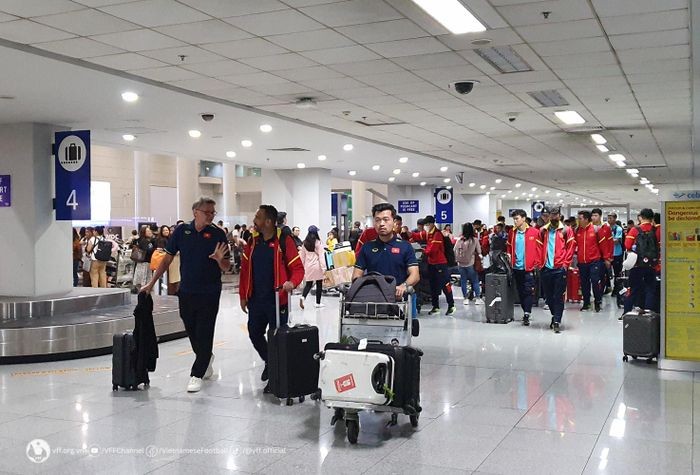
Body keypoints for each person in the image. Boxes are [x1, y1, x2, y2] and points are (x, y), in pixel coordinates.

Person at [141, 197, 230, 393]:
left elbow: (227, 265)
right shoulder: (182, 232)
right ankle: (205, 356)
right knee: (190, 325)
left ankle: (196, 373)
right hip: (187, 290)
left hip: (210, 291)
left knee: (205, 330)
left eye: (213, 212)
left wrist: (219, 260)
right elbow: (167, 259)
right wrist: (152, 282)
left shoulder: (217, 234)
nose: (210, 215)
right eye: (207, 212)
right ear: (195, 212)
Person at [239, 205, 304, 393]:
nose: (254, 220)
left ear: (268, 221)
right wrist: (243, 295)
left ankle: (275, 379)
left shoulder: (284, 240)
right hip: (256, 300)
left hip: (277, 300)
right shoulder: (252, 241)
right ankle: (270, 361)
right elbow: (244, 271)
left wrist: (292, 283)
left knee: (276, 338)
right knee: (254, 332)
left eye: (257, 217)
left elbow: (298, 268)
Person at [354, 203, 420, 333]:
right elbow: (356, 276)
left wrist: (403, 286)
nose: (381, 224)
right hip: (374, 302)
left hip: (398, 301)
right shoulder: (367, 248)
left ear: (394, 222)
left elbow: (415, 275)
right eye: (377, 220)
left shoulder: (405, 247)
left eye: (386, 219)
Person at [539, 207, 575, 333]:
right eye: (551, 215)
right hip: (546, 268)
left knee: (558, 296)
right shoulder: (543, 231)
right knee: (548, 297)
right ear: (548, 216)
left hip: (560, 268)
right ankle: (554, 316)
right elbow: (538, 247)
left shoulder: (566, 230)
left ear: (559, 216)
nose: (553, 217)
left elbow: (570, 248)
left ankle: (557, 321)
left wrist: (565, 264)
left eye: (555, 215)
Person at [623, 208, 661, 315]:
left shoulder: (635, 230)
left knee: (633, 289)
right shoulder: (657, 230)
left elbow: (627, 245)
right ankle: (649, 311)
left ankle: (627, 311)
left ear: (641, 217)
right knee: (650, 289)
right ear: (652, 218)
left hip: (637, 265)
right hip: (652, 265)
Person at [507, 210, 541, 326]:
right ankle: (525, 310)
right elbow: (509, 247)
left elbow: (539, 249)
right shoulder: (512, 232)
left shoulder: (534, 232)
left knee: (528, 291)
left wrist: (537, 263)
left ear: (524, 219)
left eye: (517, 218)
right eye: (514, 219)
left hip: (529, 268)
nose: (515, 221)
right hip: (516, 267)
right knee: (520, 291)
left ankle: (527, 313)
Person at [575, 211, 609, 312]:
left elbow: (603, 245)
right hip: (582, 262)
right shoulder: (578, 230)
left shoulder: (596, 229)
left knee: (595, 281)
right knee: (584, 283)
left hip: (594, 260)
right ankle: (586, 303)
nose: (578, 220)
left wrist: (607, 258)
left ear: (586, 219)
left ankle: (598, 301)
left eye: (580, 218)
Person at [422, 215, 456, 316]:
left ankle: (451, 305)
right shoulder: (429, 234)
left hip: (440, 264)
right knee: (433, 286)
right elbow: (417, 235)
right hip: (432, 264)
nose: (426, 226)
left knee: (445, 285)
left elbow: (433, 249)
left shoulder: (437, 234)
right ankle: (435, 306)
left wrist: (423, 251)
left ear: (432, 224)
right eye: (425, 224)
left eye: (427, 224)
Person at [454, 222, 481, 305]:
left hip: (460, 264)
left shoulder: (460, 239)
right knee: (475, 281)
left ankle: (465, 298)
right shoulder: (474, 240)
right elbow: (479, 251)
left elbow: (454, 249)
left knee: (463, 281)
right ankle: (477, 298)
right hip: (470, 263)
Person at [299, 225, 326, 309]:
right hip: (317, 266)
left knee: (308, 284)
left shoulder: (304, 243)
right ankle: (318, 303)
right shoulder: (318, 242)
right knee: (319, 284)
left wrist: (302, 267)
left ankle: (303, 297)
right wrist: (324, 268)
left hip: (308, 266)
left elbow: (302, 257)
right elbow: (321, 256)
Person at [132, 225, 157, 291]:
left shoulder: (146, 240)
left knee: (145, 280)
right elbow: (149, 250)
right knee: (143, 281)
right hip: (144, 263)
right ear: (144, 232)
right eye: (148, 231)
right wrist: (155, 249)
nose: (150, 232)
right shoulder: (144, 241)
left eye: (150, 231)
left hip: (145, 263)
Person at [608, 213, 624, 294]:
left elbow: (617, 241)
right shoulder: (606, 228)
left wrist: (607, 240)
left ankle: (616, 289)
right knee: (606, 272)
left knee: (617, 272)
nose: (609, 220)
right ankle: (607, 287)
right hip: (608, 254)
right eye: (608, 218)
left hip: (617, 253)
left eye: (610, 218)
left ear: (615, 219)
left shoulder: (618, 229)